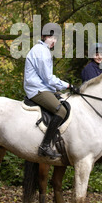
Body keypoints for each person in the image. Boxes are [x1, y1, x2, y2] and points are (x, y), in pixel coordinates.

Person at [24, 23, 70, 159]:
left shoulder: (43, 50)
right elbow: (48, 78)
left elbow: (47, 80)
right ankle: (44, 145)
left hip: (42, 87)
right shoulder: (41, 51)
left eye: (55, 38)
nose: (53, 41)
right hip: (36, 89)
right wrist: (67, 85)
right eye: (51, 37)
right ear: (44, 36)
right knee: (61, 111)